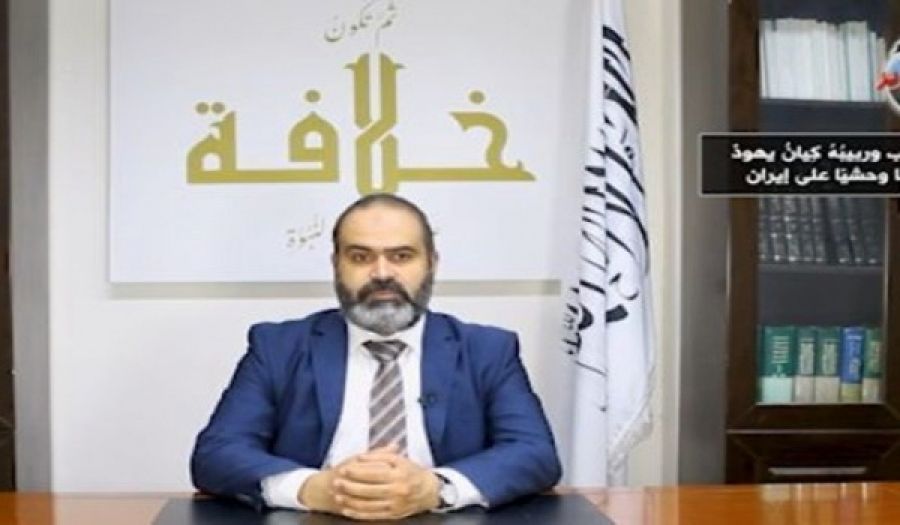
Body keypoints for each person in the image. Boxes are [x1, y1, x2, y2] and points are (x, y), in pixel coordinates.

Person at [190, 193, 561, 520]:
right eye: (360, 257)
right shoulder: (278, 346)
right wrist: (312, 488)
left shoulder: (487, 350)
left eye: (402, 256)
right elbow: (217, 453)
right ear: (336, 264)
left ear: (431, 262)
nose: (382, 273)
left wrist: (435, 488)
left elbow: (534, 452)